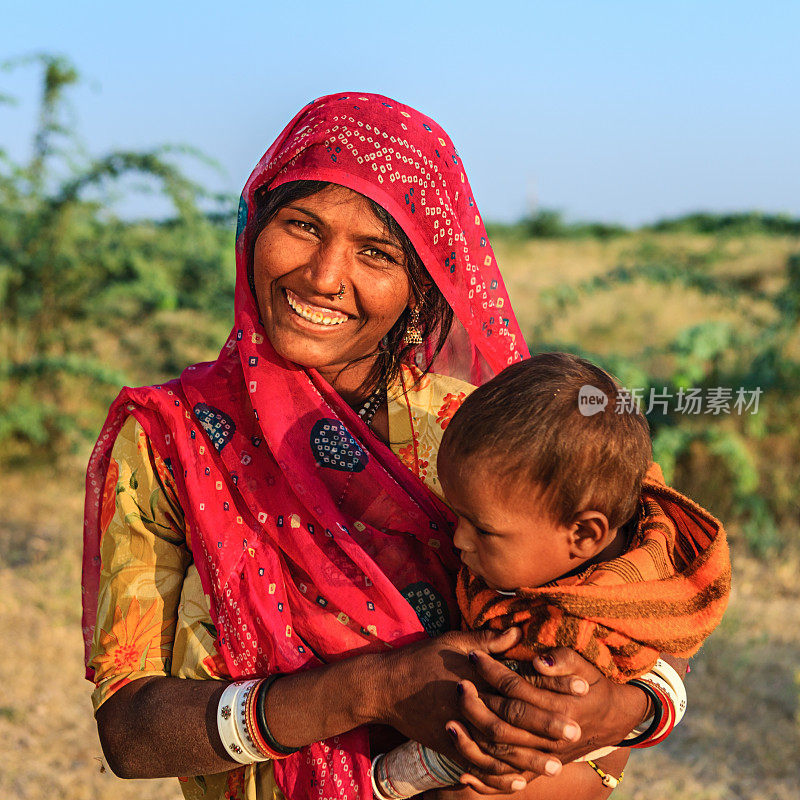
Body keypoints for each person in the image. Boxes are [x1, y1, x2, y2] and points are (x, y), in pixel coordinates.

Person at [82, 93, 695, 800]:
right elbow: (129, 734)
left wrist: (625, 710)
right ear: (253, 229)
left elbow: (646, 598)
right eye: (301, 226)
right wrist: (372, 690)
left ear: (420, 287)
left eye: (376, 252)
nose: (322, 275)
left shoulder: (484, 431)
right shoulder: (170, 438)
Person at [371, 353, 730, 799]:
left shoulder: (588, 615)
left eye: (482, 529)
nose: (459, 539)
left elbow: (528, 722)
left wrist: (384, 780)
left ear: (583, 534)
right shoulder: (555, 521)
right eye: (456, 516)